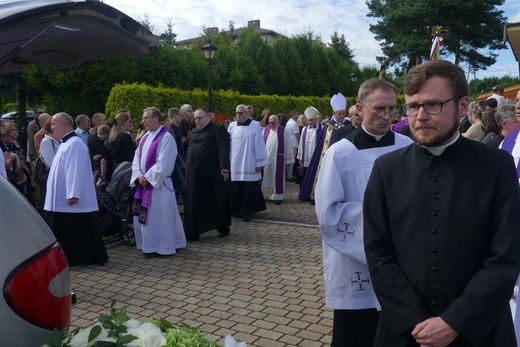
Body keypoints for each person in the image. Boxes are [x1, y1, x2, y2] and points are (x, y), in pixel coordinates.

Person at [363, 60, 520, 346]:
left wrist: (455, 322)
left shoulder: (497, 166)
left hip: (480, 329)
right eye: (412, 106)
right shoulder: (386, 169)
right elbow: (377, 252)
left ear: (462, 106)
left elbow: (506, 255)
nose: (420, 116)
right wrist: (416, 322)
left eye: (432, 105)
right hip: (405, 330)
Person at [315, 78, 413, 347]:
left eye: (392, 109)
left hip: (403, 259)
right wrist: (382, 229)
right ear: (359, 108)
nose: (387, 116)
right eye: (379, 109)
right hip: (356, 262)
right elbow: (329, 214)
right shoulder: (340, 153)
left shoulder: (407, 148)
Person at [44, 112, 108, 266]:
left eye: (53, 124)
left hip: (72, 202)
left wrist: (73, 194)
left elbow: (75, 170)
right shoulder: (65, 143)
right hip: (62, 202)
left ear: (63, 125)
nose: (51, 127)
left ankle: (81, 258)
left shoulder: (75, 144)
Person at [131, 107, 186, 258]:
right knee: (150, 217)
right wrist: (138, 176)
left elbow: (165, 163)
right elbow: (136, 160)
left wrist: (147, 178)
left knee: (161, 217)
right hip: (145, 184)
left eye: (145, 118)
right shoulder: (144, 137)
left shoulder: (166, 137)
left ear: (155, 119)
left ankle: (164, 246)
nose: (143, 122)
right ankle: (149, 245)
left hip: (159, 185)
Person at [184, 108, 231, 241]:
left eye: (200, 117)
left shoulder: (217, 130)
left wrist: (224, 168)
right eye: (195, 118)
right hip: (192, 175)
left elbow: (223, 149)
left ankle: (222, 226)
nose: (197, 120)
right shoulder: (192, 132)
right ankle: (193, 230)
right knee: (193, 202)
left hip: (209, 174)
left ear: (208, 117)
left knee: (213, 201)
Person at [300, 93, 350, 203]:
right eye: (339, 114)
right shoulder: (328, 127)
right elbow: (322, 146)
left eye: (343, 113)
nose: (342, 116)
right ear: (334, 113)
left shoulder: (349, 125)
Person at [228, 104, 269, 222]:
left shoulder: (255, 125)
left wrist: (259, 163)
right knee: (236, 188)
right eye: (236, 113)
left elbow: (259, 144)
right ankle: (236, 209)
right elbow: (228, 145)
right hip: (235, 162)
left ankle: (247, 211)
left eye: (240, 113)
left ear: (247, 114)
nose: (238, 115)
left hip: (249, 161)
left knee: (249, 188)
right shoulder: (232, 126)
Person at [261, 115, 294, 205]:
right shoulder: (265, 130)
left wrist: (289, 160)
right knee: (267, 177)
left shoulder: (283, 131)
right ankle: (266, 194)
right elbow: (262, 145)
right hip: (267, 160)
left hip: (278, 159)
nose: (271, 124)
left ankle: (277, 197)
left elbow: (288, 144)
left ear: (278, 122)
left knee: (277, 178)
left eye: (273, 123)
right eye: (270, 122)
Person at [297, 106, 323, 188]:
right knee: (305, 175)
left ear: (316, 119)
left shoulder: (321, 129)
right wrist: (300, 158)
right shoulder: (304, 129)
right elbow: (301, 143)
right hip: (306, 157)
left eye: (312, 120)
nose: (310, 122)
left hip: (316, 158)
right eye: (309, 120)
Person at [167, 107, 186, 203]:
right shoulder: (171, 129)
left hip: (177, 160)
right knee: (181, 183)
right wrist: (182, 161)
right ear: (174, 116)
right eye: (179, 115)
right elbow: (174, 148)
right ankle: (173, 203)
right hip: (175, 161)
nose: (181, 117)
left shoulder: (175, 128)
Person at [284, 110, 300, 182]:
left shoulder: (288, 123)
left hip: (289, 143)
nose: (298, 115)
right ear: (293, 115)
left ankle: (288, 174)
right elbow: (297, 135)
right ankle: (290, 176)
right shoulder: (294, 124)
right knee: (292, 160)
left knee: (289, 159)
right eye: (297, 114)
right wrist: (300, 143)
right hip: (293, 143)